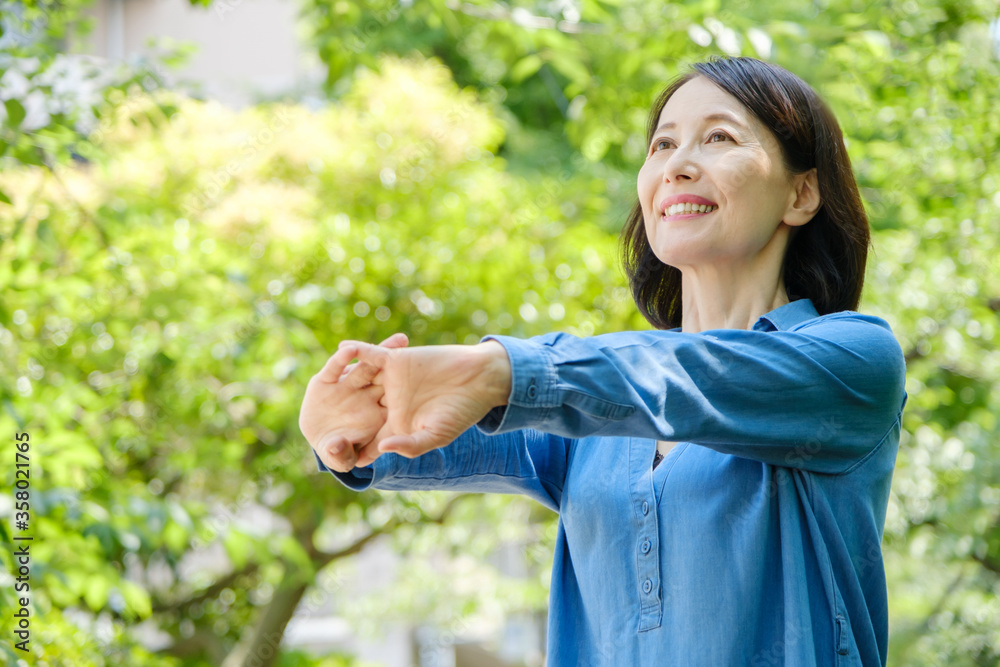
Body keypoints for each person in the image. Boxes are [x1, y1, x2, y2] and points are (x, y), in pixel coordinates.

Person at [298, 56, 907, 666]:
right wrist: (360, 423)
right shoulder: (595, 416)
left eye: (718, 137)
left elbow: (689, 379)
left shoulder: (853, 363)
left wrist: (497, 372)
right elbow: (424, 435)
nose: (676, 165)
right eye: (662, 144)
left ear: (801, 194)